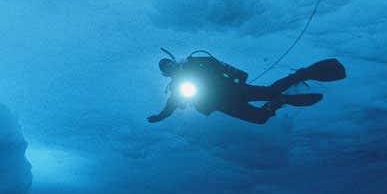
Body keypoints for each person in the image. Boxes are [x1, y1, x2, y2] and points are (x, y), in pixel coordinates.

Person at [148, 51, 346, 125]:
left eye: (170, 65)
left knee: (270, 91)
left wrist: (237, 76)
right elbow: (171, 104)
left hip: (233, 90)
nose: (170, 70)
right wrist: (160, 116)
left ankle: (303, 74)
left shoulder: (195, 64)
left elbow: (216, 64)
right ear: (166, 74)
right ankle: (281, 102)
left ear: (174, 63)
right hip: (222, 104)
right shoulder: (176, 86)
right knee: (260, 118)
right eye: (166, 70)